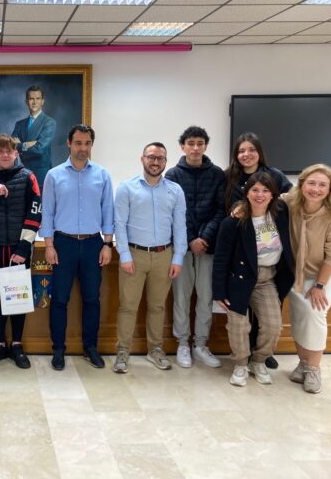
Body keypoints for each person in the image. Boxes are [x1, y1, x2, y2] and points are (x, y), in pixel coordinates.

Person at [40, 124, 114, 371]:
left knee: (92, 299)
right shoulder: (54, 175)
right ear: (69, 144)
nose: (83, 148)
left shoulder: (102, 175)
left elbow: (108, 211)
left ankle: (90, 347)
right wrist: (49, 245)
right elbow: (48, 212)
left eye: (87, 143)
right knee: (59, 299)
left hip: (93, 243)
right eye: (78, 143)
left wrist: (107, 244)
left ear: (92, 144)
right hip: (63, 244)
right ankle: (58, 349)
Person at [212, 172, 294, 387]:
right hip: (238, 279)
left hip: (267, 279)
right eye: (255, 190)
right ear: (246, 193)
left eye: (266, 190)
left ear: (273, 194)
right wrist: (219, 291)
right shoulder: (233, 222)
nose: (260, 195)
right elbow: (220, 259)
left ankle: (258, 361)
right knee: (239, 325)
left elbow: (297, 196)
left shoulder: (281, 213)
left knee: (273, 325)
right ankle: (240, 364)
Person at [113, 142, 187, 373]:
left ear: (165, 162)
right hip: (134, 255)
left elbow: (180, 226)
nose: (156, 162)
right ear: (142, 159)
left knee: (157, 307)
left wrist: (178, 258)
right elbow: (119, 224)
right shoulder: (127, 188)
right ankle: (122, 352)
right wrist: (124, 255)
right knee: (128, 307)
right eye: (151, 157)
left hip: (164, 255)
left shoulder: (175, 190)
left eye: (160, 158)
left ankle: (155, 350)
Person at [224, 132, 292, 370]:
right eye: (242, 150)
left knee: (269, 316)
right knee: (240, 316)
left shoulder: (275, 175)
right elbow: (222, 207)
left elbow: (290, 198)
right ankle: (243, 357)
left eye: (252, 150)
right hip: (240, 252)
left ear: (260, 152)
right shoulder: (229, 177)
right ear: (236, 155)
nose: (247, 154)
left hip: (269, 258)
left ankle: (261, 355)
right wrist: (237, 209)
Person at [0, 133, 42, 369]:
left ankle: (16, 345)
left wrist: (24, 247)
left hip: (18, 248)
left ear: (16, 153)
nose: (5, 154)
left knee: (17, 298)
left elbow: (35, 212)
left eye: (9, 151)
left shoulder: (28, 177)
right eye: (0, 151)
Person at [283, 165, 331, 394]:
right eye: (311, 183)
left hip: (328, 273)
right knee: (299, 316)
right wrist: (240, 207)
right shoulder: (290, 203)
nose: (316, 189)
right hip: (298, 271)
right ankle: (303, 363)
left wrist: (320, 285)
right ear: (302, 184)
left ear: (330, 189)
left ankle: (313, 368)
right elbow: (263, 199)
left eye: (322, 185)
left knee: (314, 312)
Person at [164, 126, 225, 369]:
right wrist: (190, 239)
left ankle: (200, 344)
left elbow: (221, 210)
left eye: (200, 143)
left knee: (206, 297)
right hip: (181, 248)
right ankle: (182, 343)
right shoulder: (172, 175)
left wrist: (204, 237)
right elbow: (174, 212)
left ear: (206, 146)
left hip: (208, 248)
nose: (195, 148)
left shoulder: (217, 174)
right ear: (183, 146)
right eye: (191, 143)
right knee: (181, 296)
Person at [11, 85, 57, 189]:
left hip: (41, 177)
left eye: (38, 99)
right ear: (26, 102)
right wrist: (30, 144)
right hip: (21, 175)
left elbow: (39, 149)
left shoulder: (49, 123)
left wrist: (20, 145)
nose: (35, 102)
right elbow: (11, 147)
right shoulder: (19, 124)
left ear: (42, 102)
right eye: (31, 99)